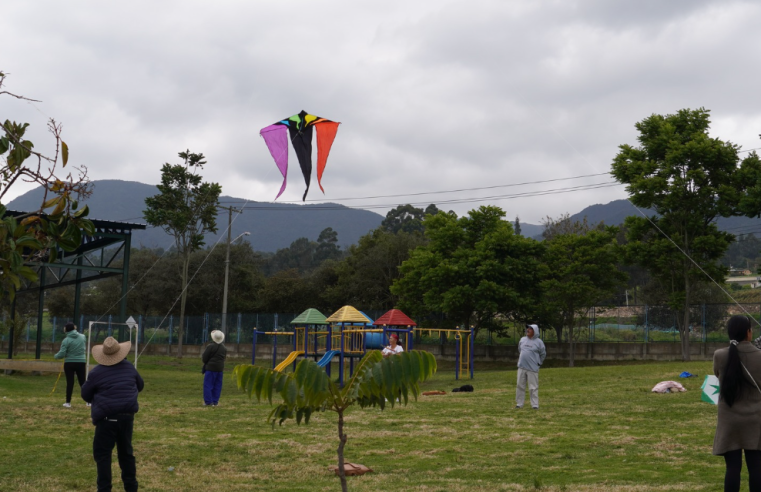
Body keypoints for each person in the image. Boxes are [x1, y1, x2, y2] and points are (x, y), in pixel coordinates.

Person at [81, 337, 144, 492]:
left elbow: (85, 394)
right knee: (126, 454)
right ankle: (131, 488)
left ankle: (104, 488)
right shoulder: (129, 367)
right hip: (127, 417)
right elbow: (140, 385)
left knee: (102, 455)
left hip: (106, 419)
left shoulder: (96, 372)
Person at [713, 315, 761, 492]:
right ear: (749, 332)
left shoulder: (719, 355)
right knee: (756, 467)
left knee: (732, 468)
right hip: (756, 419)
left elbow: (719, 375)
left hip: (730, 420)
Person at [54, 322, 87, 408]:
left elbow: (62, 354)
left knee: (70, 383)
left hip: (69, 363)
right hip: (81, 362)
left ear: (66, 330)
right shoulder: (83, 337)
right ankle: (89, 401)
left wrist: (56, 356)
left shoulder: (66, 340)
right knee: (83, 382)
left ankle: (68, 402)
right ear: (74, 328)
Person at [516, 324, 546, 410]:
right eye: (527, 328)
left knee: (533, 387)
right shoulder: (522, 340)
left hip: (532, 369)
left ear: (535, 331)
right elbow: (519, 349)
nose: (528, 330)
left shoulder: (539, 342)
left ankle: (535, 405)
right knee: (520, 386)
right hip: (521, 367)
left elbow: (543, 354)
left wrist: (539, 363)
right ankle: (519, 403)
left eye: (530, 329)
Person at [202, 330, 227, 406]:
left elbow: (204, 358)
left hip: (210, 368)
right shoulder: (224, 348)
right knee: (217, 385)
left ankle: (208, 402)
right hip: (220, 369)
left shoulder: (210, 346)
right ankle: (215, 401)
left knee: (208, 385)